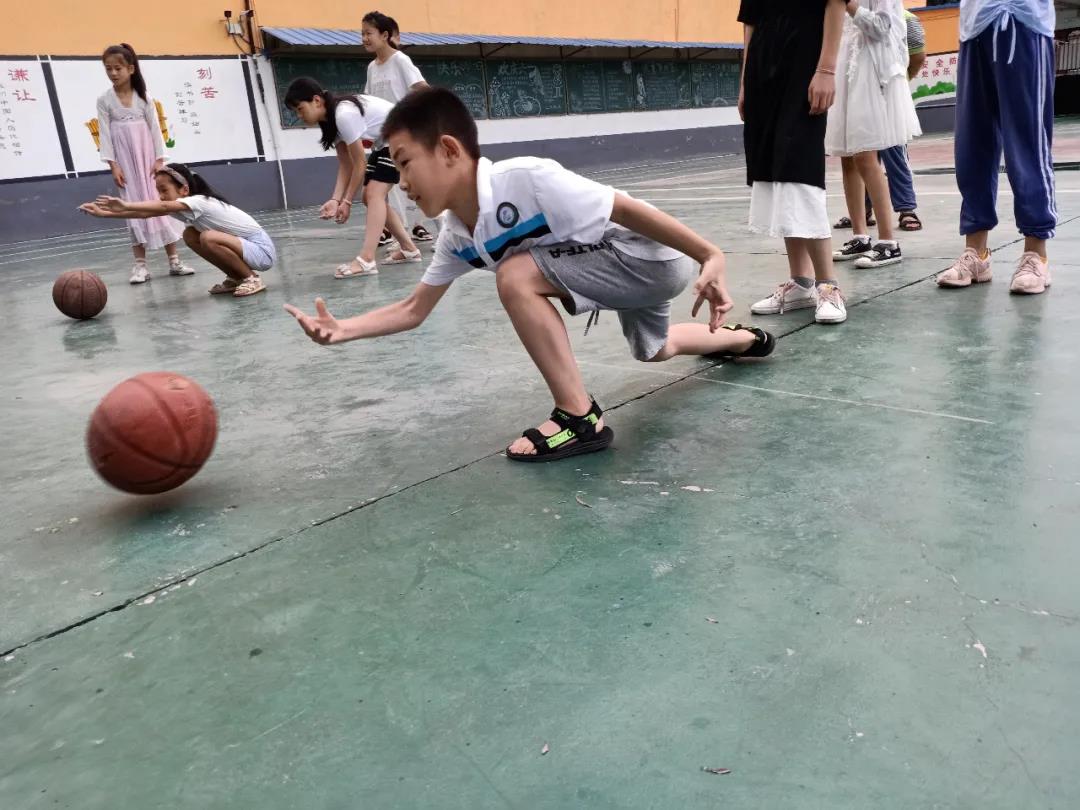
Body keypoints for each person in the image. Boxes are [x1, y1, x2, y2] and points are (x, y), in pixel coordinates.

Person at [285, 88, 776, 462]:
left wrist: (709, 254)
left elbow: (625, 209)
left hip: (649, 258)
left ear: (450, 150)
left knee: (516, 275)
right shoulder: (457, 235)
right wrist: (343, 329)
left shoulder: (526, 179)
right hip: (632, 276)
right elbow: (414, 309)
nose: (402, 182)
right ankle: (742, 341)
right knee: (654, 349)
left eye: (406, 163)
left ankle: (579, 417)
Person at [936, 0, 1057, 294]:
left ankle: (1036, 253)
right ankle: (977, 253)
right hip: (974, 25)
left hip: (1021, 19)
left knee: (1026, 141)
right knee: (972, 144)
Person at [740, 0, 849, 325]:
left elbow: (835, 3)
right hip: (763, 71)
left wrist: (826, 69)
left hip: (805, 66)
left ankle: (828, 285)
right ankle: (801, 282)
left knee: (801, 168)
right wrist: (745, 81)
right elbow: (751, 20)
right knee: (777, 170)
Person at [283, 77, 421, 278]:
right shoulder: (330, 120)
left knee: (373, 194)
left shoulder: (343, 115)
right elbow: (346, 164)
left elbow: (359, 163)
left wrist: (346, 201)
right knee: (368, 197)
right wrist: (335, 200)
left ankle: (367, 260)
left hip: (405, 137)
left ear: (316, 101)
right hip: (385, 142)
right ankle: (409, 249)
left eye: (300, 109)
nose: (299, 115)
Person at [80, 163, 275, 297]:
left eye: (164, 190)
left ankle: (251, 279)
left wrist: (125, 204)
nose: (161, 196)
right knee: (190, 235)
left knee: (208, 237)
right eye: (158, 191)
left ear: (184, 190)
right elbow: (144, 214)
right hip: (246, 248)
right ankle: (236, 277)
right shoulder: (183, 207)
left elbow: (162, 206)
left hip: (261, 251)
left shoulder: (199, 202)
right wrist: (104, 214)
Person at [825, 0, 921, 270]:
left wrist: (849, 4)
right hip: (845, 71)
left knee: (866, 156)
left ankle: (889, 241)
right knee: (848, 157)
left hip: (871, 73)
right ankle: (860, 236)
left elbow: (881, 27)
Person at [96, 43, 193, 284]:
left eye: (118, 68)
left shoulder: (144, 98)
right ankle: (140, 266)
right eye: (108, 68)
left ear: (130, 69)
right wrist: (113, 165)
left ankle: (174, 261)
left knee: (160, 203)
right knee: (131, 207)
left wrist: (159, 160)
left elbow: (155, 130)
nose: (113, 73)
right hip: (126, 164)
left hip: (149, 162)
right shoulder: (104, 100)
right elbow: (105, 135)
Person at [362, 11, 437, 255]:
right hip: (384, 140)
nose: (364, 38)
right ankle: (402, 239)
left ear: (384, 35)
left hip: (407, 136)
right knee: (390, 190)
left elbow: (423, 89)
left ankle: (447, 232)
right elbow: (369, 101)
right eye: (362, 34)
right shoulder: (372, 68)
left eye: (369, 33)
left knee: (421, 184)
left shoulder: (400, 60)